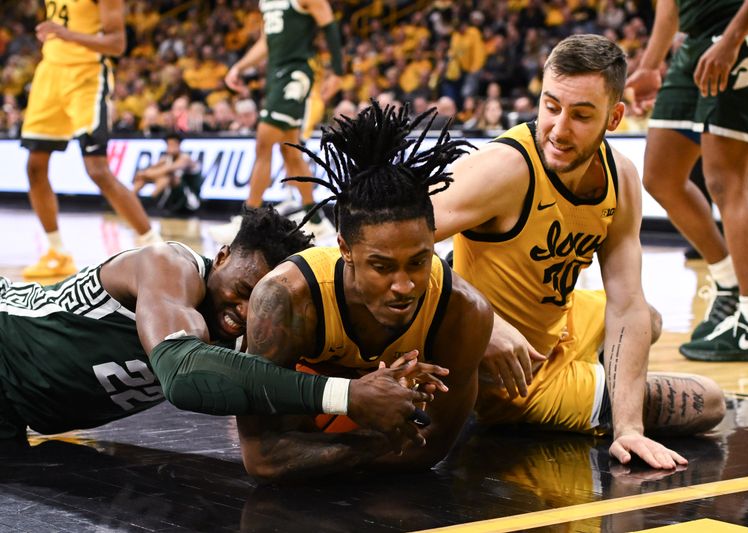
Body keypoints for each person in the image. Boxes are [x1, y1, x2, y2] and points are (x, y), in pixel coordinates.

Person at [431, 35, 726, 470]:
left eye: (582, 115)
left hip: (557, 326)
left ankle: (603, 392)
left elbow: (626, 303)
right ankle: (586, 390)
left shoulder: (621, 177)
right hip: (515, 378)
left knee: (650, 318)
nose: (559, 129)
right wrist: (479, 319)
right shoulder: (504, 167)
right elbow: (386, 239)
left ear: (614, 117)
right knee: (710, 402)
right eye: (551, 107)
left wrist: (629, 429)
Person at [0, 206, 438, 446]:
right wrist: (348, 395)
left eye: (259, 299)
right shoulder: (168, 265)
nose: (247, 311)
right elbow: (183, 375)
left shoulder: (263, 322)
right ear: (223, 255)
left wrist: (379, 378)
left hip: (17, 408)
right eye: (244, 289)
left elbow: (298, 381)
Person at [235, 102, 494, 482]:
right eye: (382, 266)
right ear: (344, 249)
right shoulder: (285, 297)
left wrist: (323, 450)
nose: (404, 286)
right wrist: (360, 406)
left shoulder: (463, 311)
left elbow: (433, 446)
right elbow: (264, 459)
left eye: (419, 261)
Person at [626, 0, 748, 361]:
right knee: (660, 175)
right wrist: (651, 66)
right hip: (697, 43)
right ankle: (730, 283)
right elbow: (669, 7)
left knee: (726, 179)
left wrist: (732, 40)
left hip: (747, 32)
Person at [20, 0, 160, 279]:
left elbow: (117, 44)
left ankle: (155, 247)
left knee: (97, 169)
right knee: (35, 166)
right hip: (50, 73)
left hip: (86, 76)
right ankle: (57, 252)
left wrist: (66, 34)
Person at [208, 0, 345, 245]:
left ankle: (247, 222)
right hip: (275, 75)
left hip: (296, 73)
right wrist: (240, 66)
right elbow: (266, 42)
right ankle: (316, 221)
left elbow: (329, 23)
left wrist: (337, 71)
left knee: (264, 142)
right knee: (289, 150)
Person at [132, 131, 203, 215]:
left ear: (179, 145)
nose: (170, 148)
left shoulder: (185, 158)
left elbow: (166, 170)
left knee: (167, 177)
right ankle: (130, 198)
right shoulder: (166, 158)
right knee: (143, 178)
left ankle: (150, 201)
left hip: (190, 199)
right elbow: (150, 170)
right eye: (169, 145)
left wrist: (144, 174)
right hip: (173, 196)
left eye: (173, 145)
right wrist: (143, 175)